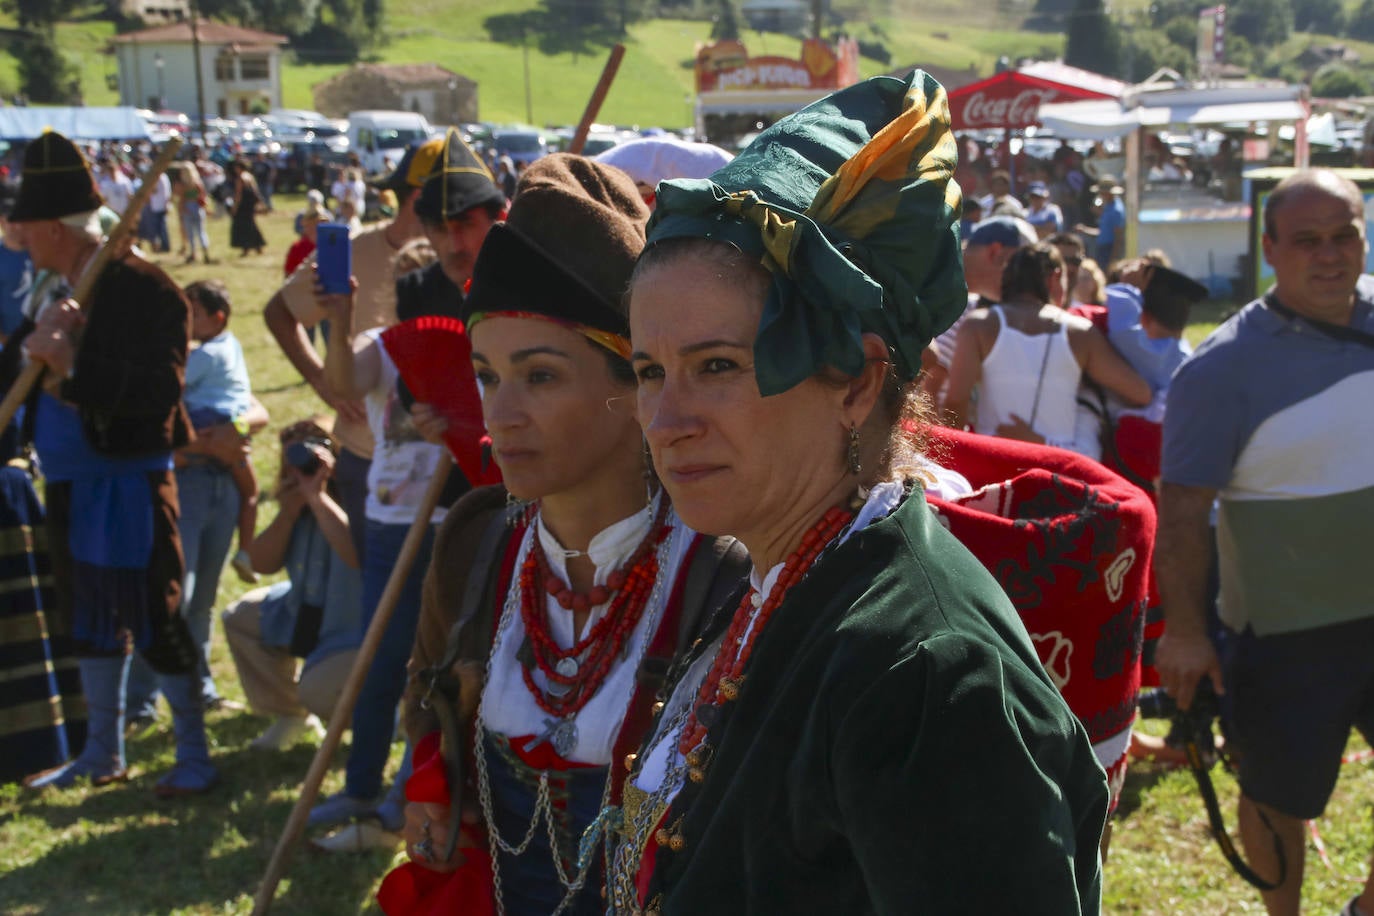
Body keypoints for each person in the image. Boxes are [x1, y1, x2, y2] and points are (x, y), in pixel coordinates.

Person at [610, 71, 1106, 914]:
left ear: (855, 382)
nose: (664, 420)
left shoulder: (930, 675)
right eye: (650, 372)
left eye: (718, 367)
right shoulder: (781, 576)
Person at [379, 153, 748, 916]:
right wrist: (436, 782)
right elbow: (430, 699)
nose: (501, 414)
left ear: (635, 382)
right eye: (486, 375)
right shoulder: (479, 549)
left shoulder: (724, 574)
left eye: (539, 376)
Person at [1155, 168, 1374, 916]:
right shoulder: (1222, 368)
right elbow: (1182, 511)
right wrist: (1184, 631)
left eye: (1344, 233)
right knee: (1279, 794)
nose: (1330, 254)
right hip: (1288, 632)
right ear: (1271, 248)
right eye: (1307, 240)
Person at [305, 148, 501, 847]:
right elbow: (384, 377)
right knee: (386, 656)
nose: (454, 241)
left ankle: (406, 801)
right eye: (442, 226)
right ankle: (364, 788)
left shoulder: (522, 289)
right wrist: (426, 414)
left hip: (485, 505)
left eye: (468, 225)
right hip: (412, 505)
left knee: (453, 672)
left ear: (497, 219)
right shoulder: (419, 298)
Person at [13, 131, 216, 796]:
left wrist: (73, 368)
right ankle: (102, 753)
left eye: (24, 223)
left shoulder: (148, 290)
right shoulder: (51, 288)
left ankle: (194, 754)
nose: (16, 232)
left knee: (153, 617)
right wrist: (36, 358)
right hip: (70, 480)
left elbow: (159, 392)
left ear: (50, 227)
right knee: (89, 618)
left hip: (129, 480)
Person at [263, 139, 441, 566]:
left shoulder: (463, 257)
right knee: (378, 593)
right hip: (368, 458)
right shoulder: (354, 252)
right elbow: (279, 313)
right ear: (419, 198)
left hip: (448, 468)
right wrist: (323, 380)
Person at [221, 417, 362, 752]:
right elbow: (262, 562)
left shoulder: (361, 495)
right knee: (241, 617)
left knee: (316, 691)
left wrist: (320, 498)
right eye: (291, 460)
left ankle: (391, 715)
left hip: (357, 630)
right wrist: (288, 511)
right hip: (305, 609)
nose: (300, 467)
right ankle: (290, 715)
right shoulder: (295, 504)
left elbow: (358, 555)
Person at [943, 242, 1151, 450]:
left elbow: (955, 402)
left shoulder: (977, 326)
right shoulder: (1080, 333)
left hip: (992, 461)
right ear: (1054, 277)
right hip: (1056, 471)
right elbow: (1140, 393)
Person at [1077, 179, 1125, 268]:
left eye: (1101, 193)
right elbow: (1103, 231)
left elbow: (1118, 236)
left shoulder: (1116, 210)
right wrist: (1085, 230)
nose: (1100, 195)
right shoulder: (1108, 207)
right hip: (1103, 249)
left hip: (1109, 250)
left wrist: (1112, 260)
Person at [176, 156, 213, 265]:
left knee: (190, 233)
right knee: (201, 231)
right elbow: (203, 196)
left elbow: (182, 199)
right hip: (197, 207)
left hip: (188, 207)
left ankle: (193, 253)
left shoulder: (184, 185)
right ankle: (205, 252)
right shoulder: (197, 182)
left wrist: (181, 210)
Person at [228, 159, 266, 256]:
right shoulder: (249, 176)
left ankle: (246, 247)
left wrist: (234, 208)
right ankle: (257, 246)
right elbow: (255, 191)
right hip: (250, 205)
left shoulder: (240, 178)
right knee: (251, 225)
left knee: (243, 227)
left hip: (243, 206)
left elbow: (238, 195)